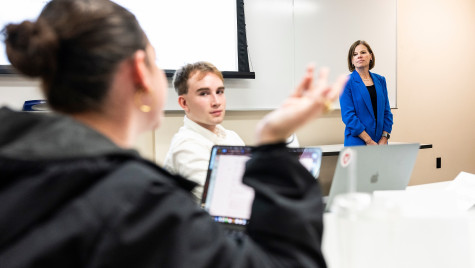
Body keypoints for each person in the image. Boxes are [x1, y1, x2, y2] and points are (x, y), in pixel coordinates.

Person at [0, 0, 346, 267]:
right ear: (140, 70)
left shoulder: (20, 163)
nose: (215, 100)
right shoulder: (137, 203)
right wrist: (273, 140)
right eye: (155, 60)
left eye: (220, 91)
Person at [163, 62, 245, 200]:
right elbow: (222, 201)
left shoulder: (231, 137)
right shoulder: (185, 146)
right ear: (184, 103)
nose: (216, 101)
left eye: (219, 92)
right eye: (204, 93)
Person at [340, 40, 393, 146]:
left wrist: (384, 138)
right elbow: (348, 116)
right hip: (357, 142)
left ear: (371, 56)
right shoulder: (346, 82)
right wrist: (368, 140)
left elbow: (387, 112)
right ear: (352, 61)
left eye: (363, 52)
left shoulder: (380, 80)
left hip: (380, 143)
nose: (359, 56)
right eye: (355, 54)